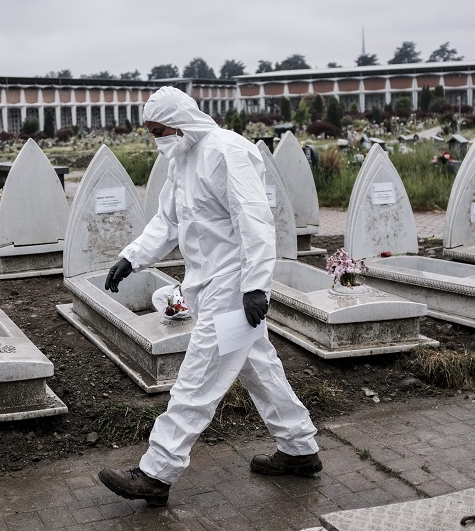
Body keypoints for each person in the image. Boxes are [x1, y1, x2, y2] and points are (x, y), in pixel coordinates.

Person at [97, 87, 321, 507]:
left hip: (234, 288)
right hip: (207, 283)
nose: (156, 138)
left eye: (159, 129)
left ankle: (156, 471)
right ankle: (299, 448)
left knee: (196, 379)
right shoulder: (180, 160)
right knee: (259, 369)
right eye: (150, 132)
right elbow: (167, 220)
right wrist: (132, 257)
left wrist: (256, 285)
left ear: (180, 121)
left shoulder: (226, 151)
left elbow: (253, 219)